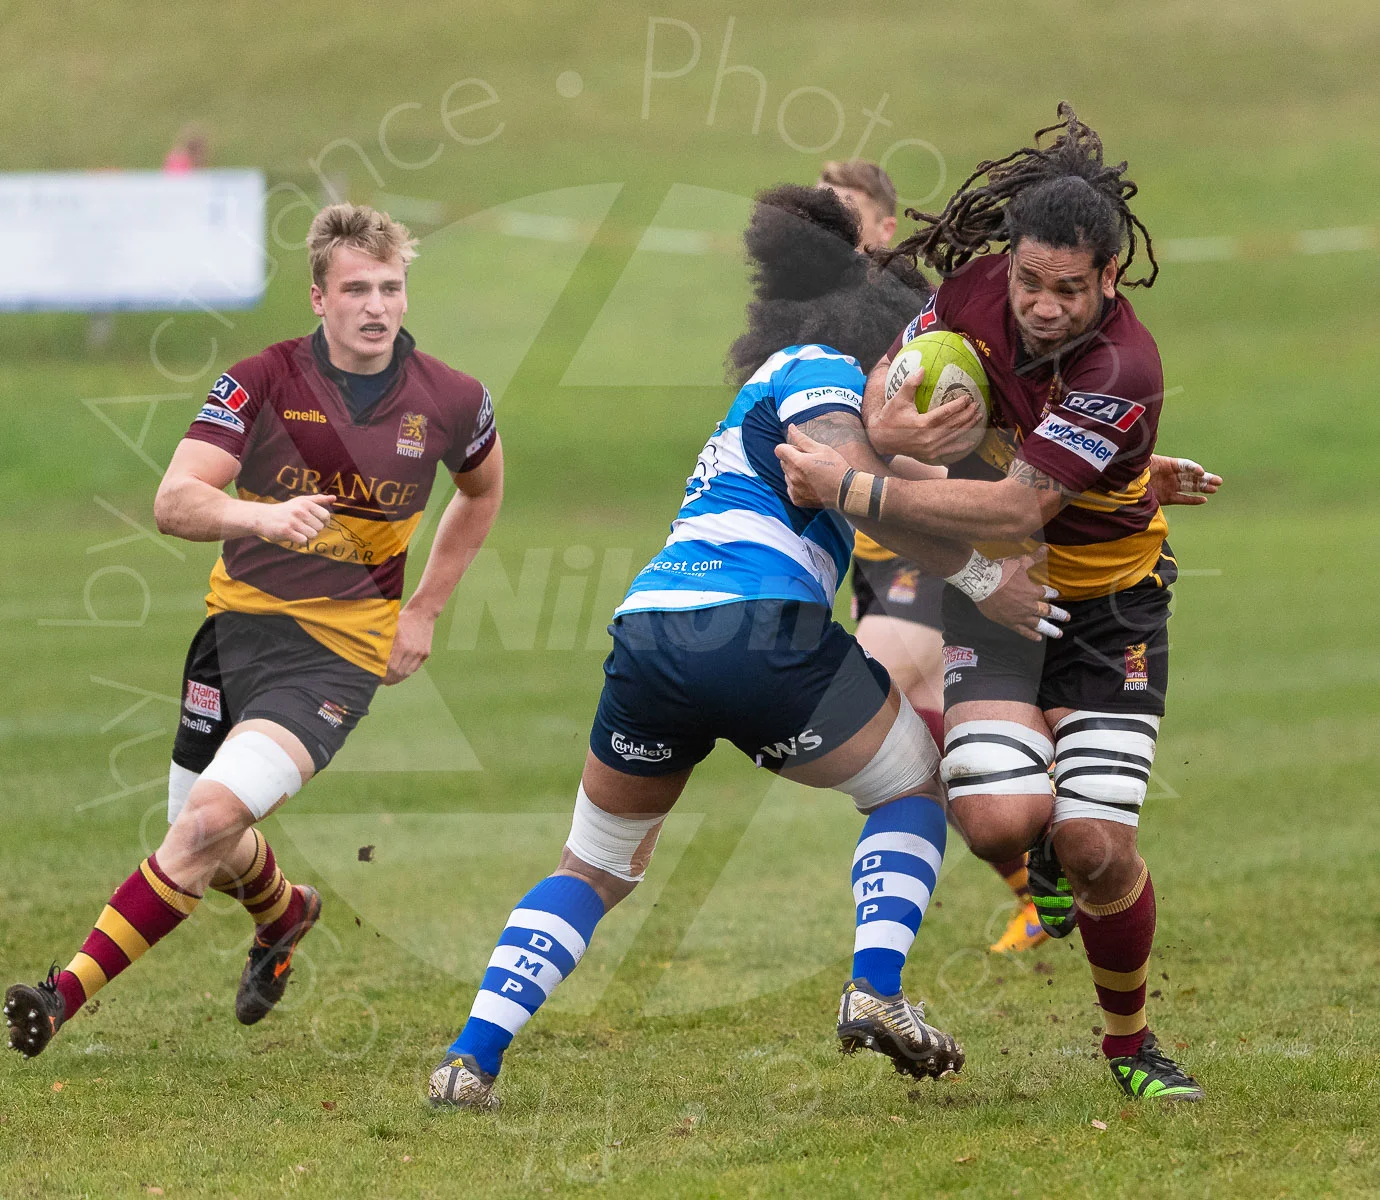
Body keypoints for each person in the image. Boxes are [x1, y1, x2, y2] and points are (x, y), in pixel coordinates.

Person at [428, 186, 1062, 1111]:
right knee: (913, 788)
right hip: (754, 626)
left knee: (596, 867)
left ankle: (470, 1057)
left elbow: (926, 492)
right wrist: (980, 583)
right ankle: (875, 989)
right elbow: (854, 483)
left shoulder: (766, 398)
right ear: (876, 338)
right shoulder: (818, 370)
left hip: (651, 635)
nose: (909, 376)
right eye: (905, 355)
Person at [777, 105, 1221, 1101]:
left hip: (1108, 608)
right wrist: (894, 415)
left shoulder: (1123, 368)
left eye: (1069, 291)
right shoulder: (980, 287)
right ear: (1009, 261)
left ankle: (1130, 1046)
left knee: (1098, 843)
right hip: (996, 595)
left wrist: (859, 486)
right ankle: (1046, 855)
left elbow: (1023, 499)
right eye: (1029, 282)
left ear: (1107, 279)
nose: (1043, 307)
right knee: (993, 825)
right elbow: (900, 364)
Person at [3, 203, 504, 1056]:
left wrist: (422, 609)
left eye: (390, 287)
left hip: (338, 658)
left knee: (199, 828)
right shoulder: (260, 381)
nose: (377, 306)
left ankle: (61, 995)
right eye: (356, 289)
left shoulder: (453, 400)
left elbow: (482, 491)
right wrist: (261, 518)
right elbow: (174, 501)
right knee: (206, 832)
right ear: (318, 297)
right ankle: (286, 911)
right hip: (233, 636)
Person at [819, 159, 1049, 954]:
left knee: (872, 700)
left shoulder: (932, 329)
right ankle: (1032, 870)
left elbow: (981, 439)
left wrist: (902, 446)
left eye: (846, 216)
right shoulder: (820, 322)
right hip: (872, 555)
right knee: (915, 733)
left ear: (887, 229)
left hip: (935, 544)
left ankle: (1032, 828)